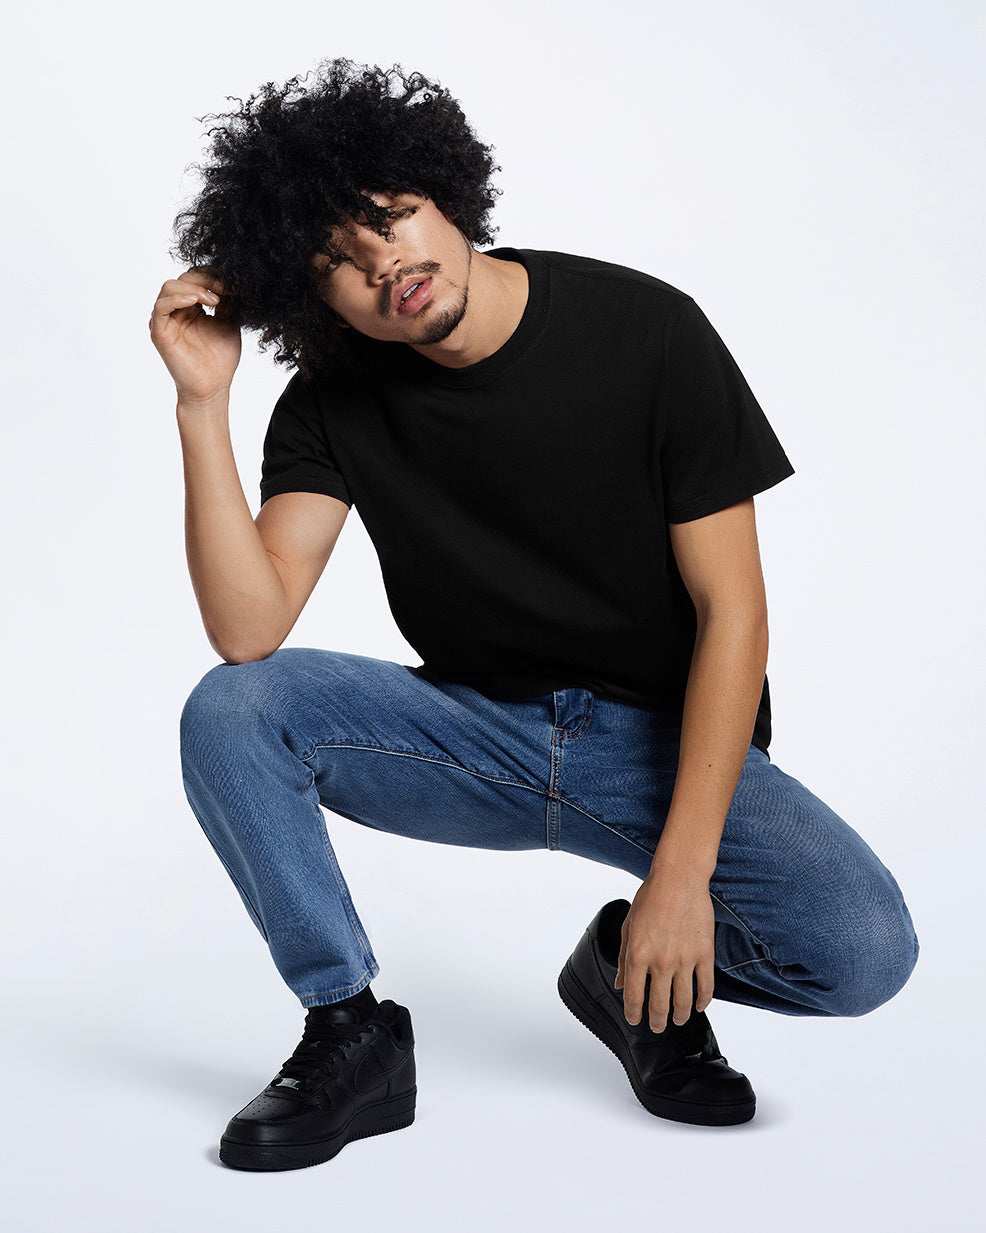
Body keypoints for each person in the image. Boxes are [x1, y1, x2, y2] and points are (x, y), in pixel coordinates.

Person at [150, 58, 919, 1172]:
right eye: (333, 262)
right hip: (473, 739)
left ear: (443, 191)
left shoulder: (645, 330)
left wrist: (677, 884)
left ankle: (633, 975)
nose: (383, 266)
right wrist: (201, 403)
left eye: (388, 217)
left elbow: (733, 615)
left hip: (656, 752)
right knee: (234, 709)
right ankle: (349, 1028)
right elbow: (247, 629)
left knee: (861, 954)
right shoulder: (332, 401)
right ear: (306, 298)